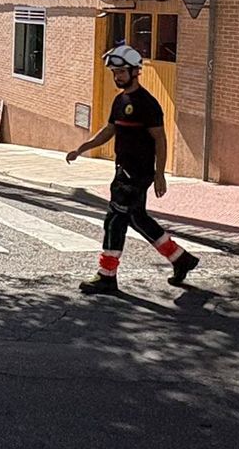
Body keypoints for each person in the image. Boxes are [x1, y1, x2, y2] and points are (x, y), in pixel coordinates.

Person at [65, 44, 198, 294]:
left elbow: (160, 138)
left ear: (136, 71)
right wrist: (82, 148)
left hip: (137, 174)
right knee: (137, 219)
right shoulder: (119, 100)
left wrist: (159, 175)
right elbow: (110, 130)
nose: (117, 77)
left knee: (115, 220)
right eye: (115, 72)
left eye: (122, 72)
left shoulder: (147, 104)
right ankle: (181, 259)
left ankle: (107, 275)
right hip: (122, 169)